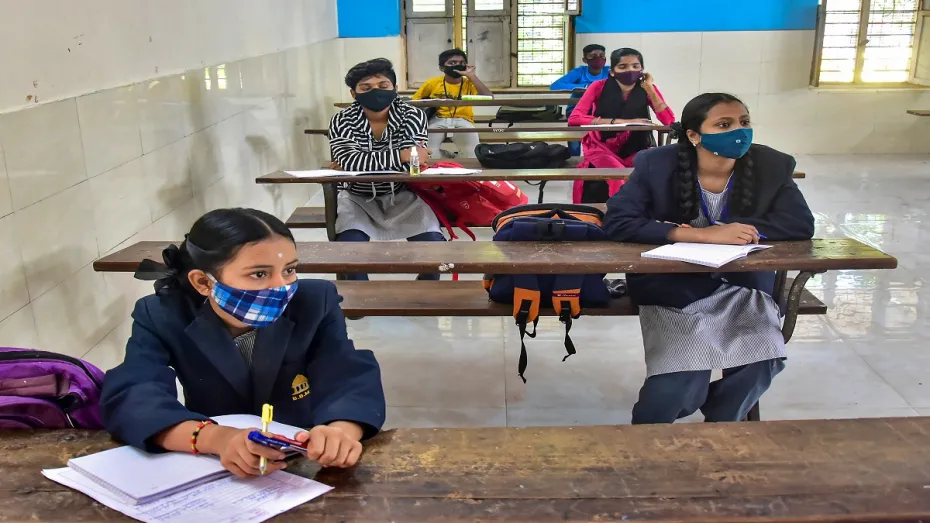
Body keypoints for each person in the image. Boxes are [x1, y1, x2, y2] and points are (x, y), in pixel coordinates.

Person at [101, 208, 386, 477]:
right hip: (215, 459)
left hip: (303, 450)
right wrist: (214, 438)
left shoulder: (313, 301)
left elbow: (344, 371)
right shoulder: (163, 314)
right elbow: (135, 391)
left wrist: (340, 431)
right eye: (259, 274)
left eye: (289, 270)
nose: (281, 287)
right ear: (203, 282)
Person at [603, 93, 815, 425]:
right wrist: (701, 234)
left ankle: (721, 423)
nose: (739, 132)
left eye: (744, 122)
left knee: (763, 360)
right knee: (676, 387)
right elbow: (618, 221)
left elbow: (799, 224)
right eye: (724, 125)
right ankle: (645, 444)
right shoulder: (656, 164)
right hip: (672, 286)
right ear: (693, 135)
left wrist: (737, 231)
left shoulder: (772, 165)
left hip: (743, 285)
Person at [329, 58, 445, 281]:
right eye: (366, 88)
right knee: (349, 253)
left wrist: (359, 161)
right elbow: (351, 161)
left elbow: (413, 163)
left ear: (394, 88)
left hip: (403, 195)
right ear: (353, 94)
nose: (376, 92)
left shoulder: (412, 115)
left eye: (383, 86)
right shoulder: (341, 120)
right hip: (356, 197)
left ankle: (424, 294)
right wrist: (401, 155)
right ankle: (359, 298)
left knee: (434, 250)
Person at [568, 48, 676, 203]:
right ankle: (619, 212)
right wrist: (616, 122)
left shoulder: (646, 88)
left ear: (642, 70)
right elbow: (575, 118)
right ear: (612, 72)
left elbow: (669, 120)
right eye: (623, 66)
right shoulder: (598, 86)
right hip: (602, 146)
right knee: (618, 175)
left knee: (650, 172)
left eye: (635, 66)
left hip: (636, 145)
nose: (630, 70)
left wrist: (650, 88)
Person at [412, 49, 493, 158]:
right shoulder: (432, 83)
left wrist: (471, 75)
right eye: (452, 63)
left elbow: (489, 98)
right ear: (442, 68)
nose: (458, 65)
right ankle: (447, 155)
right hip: (438, 119)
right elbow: (414, 102)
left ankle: (457, 158)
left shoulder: (470, 83)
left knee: (472, 154)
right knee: (429, 154)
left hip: (464, 120)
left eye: (462, 63)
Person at [550, 44, 610, 156]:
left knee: (604, 134)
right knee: (574, 135)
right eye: (593, 56)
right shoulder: (580, 72)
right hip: (576, 109)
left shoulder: (609, 71)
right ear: (585, 59)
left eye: (602, 55)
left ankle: (598, 158)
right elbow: (555, 86)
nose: (598, 58)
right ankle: (574, 159)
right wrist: (584, 87)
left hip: (600, 110)